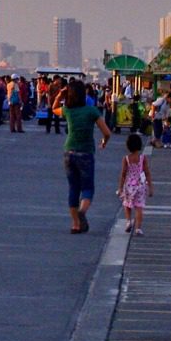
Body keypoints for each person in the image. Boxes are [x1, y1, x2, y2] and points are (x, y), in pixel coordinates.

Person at [59, 81, 106, 233]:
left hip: (69, 152)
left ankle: (76, 224)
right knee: (87, 188)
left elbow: (53, 108)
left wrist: (60, 94)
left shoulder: (67, 110)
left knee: (73, 188)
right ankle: (82, 212)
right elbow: (107, 132)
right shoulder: (91, 111)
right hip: (86, 152)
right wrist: (104, 141)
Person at [117, 132, 151, 236]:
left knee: (127, 204)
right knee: (139, 207)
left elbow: (123, 174)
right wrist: (151, 186)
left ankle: (128, 221)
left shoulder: (126, 159)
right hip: (140, 185)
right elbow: (147, 172)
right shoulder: (142, 158)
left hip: (129, 185)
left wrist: (120, 188)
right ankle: (138, 228)